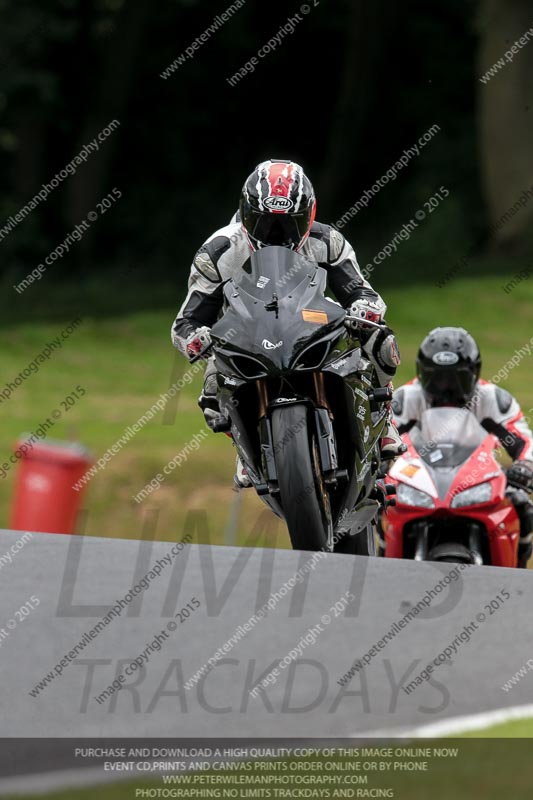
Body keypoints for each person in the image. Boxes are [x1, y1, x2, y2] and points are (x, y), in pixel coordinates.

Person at [171, 159, 405, 487]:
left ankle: (384, 421)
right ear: (245, 214)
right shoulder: (219, 251)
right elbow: (187, 320)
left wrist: (364, 310)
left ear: (308, 215)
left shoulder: (327, 240)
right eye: (264, 223)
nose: (276, 234)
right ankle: (244, 447)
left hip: (313, 322)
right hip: (244, 333)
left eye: (288, 224)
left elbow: (361, 291)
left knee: (380, 340)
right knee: (212, 390)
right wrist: (197, 339)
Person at [392, 326, 533, 567]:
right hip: (419, 478)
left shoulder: (492, 399)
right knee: (379, 507)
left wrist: (525, 467)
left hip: (478, 478)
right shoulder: (406, 398)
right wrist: (380, 466)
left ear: (473, 373)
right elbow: (381, 437)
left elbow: (524, 441)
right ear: (422, 372)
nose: (446, 386)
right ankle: (383, 558)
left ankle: (518, 572)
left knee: (522, 504)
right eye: (437, 377)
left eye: (456, 377)